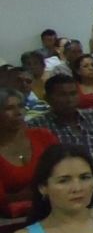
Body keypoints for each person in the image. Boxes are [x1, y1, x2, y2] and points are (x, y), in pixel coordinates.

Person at [0, 86, 58, 216]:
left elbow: (63, 171)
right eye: (9, 108)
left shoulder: (43, 136)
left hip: (55, 208)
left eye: (21, 106)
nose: (18, 112)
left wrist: (19, 196)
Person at [28, 74, 93, 154]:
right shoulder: (37, 126)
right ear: (47, 98)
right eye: (62, 95)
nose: (69, 100)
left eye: (73, 94)